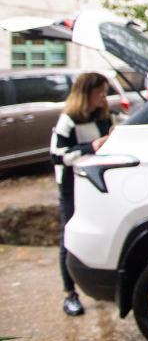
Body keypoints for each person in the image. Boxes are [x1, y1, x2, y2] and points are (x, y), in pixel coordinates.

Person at [50, 72, 113, 316]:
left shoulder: (104, 116)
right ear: (85, 93)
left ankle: (100, 285)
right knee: (69, 236)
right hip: (71, 186)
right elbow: (57, 155)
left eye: (105, 92)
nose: (103, 97)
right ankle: (70, 293)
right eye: (99, 92)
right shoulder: (68, 120)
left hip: (97, 183)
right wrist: (90, 147)